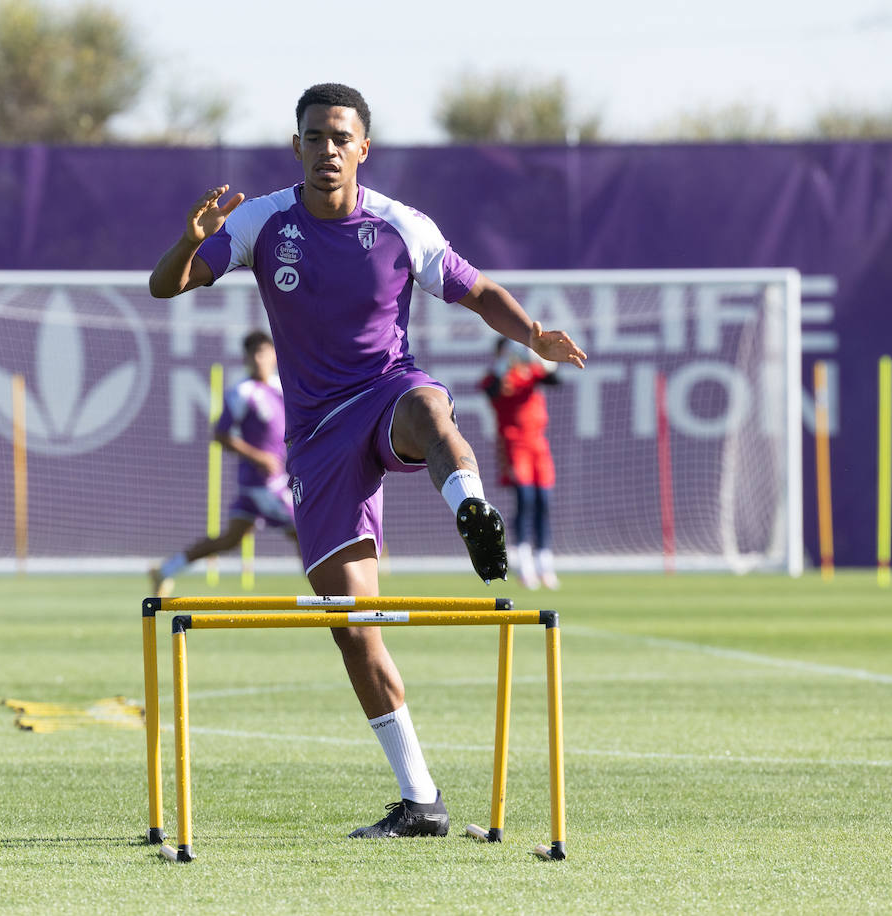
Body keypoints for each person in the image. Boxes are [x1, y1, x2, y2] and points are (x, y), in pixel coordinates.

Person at [148, 83, 586, 839]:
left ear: (363, 148)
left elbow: (478, 292)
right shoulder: (260, 222)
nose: (327, 150)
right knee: (353, 627)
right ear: (297, 146)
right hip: (316, 437)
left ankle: (471, 510)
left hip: (386, 391)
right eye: (314, 137)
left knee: (428, 406)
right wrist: (191, 240)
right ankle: (422, 802)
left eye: (340, 138)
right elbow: (166, 287)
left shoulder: (400, 225)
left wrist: (534, 334)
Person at [150, 330, 298, 596]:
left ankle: (165, 571)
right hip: (261, 483)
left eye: (262, 352)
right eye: (252, 353)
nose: (257, 358)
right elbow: (220, 435)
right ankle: (329, 595)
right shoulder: (241, 393)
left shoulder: (282, 388)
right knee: (302, 529)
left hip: (275, 480)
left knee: (229, 540)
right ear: (245, 358)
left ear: (274, 356)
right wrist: (258, 456)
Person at [480, 338, 561, 590]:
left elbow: (553, 380)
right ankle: (523, 560)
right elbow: (490, 389)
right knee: (524, 500)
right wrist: (505, 361)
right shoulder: (499, 377)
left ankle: (544, 560)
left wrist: (536, 357)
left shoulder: (530, 372)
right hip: (515, 444)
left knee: (543, 502)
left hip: (538, 445)